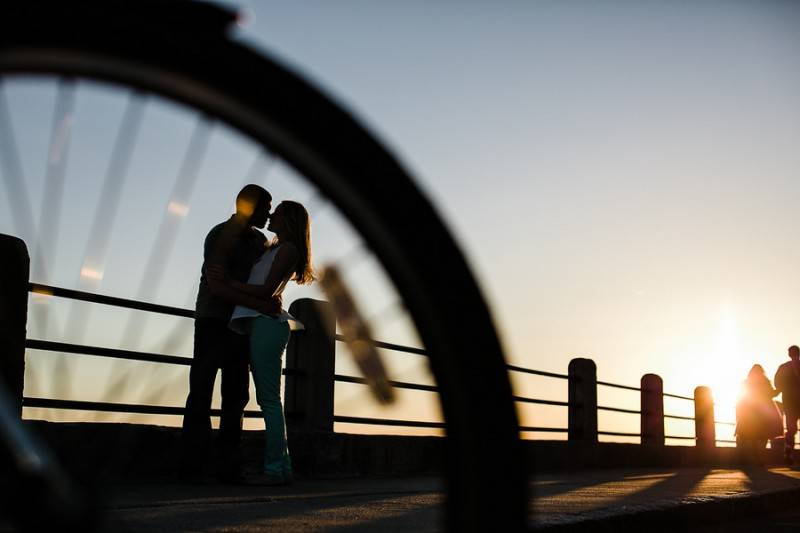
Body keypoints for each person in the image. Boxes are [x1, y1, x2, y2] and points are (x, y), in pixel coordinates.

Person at [207, 200, 315, 485]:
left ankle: (273, 470)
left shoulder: (288, 249)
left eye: (277, 212)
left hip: (267, 325)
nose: (271, 214)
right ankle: (282, 469)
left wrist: (227, 282)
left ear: (288, 220)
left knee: (268, 400)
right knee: (270, 400)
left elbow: (266, 290)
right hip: (260, 323)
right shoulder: (274, 247)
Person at [180, 184, 281, 483]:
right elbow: (216, 285)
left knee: (235, 394)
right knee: (202, 390)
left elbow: (258, 280)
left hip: (240, 322)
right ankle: (194, 465)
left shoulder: (258, 241)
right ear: (250, 206)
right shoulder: (219, 235)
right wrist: (261, 302)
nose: (269, 213)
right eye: (266, 207)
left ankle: (226, 466)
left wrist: (264, 299)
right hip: (214, 319)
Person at [735, 364, 782, 463]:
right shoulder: (765, 381)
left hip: (749, 411)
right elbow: (771, 394)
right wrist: (779, 390)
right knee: (764, 433)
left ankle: (755, 454)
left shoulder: (746, 382)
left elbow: (742, 397)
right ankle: (759, 455)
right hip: (763, 411)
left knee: (751, 434)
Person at [774, 345, 800, 465]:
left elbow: (777, 384)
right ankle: (788, 450)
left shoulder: (783, 367)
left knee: (791, 429)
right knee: (791, 428)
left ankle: (788, 451)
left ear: (789, 354)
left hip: (789, 402)